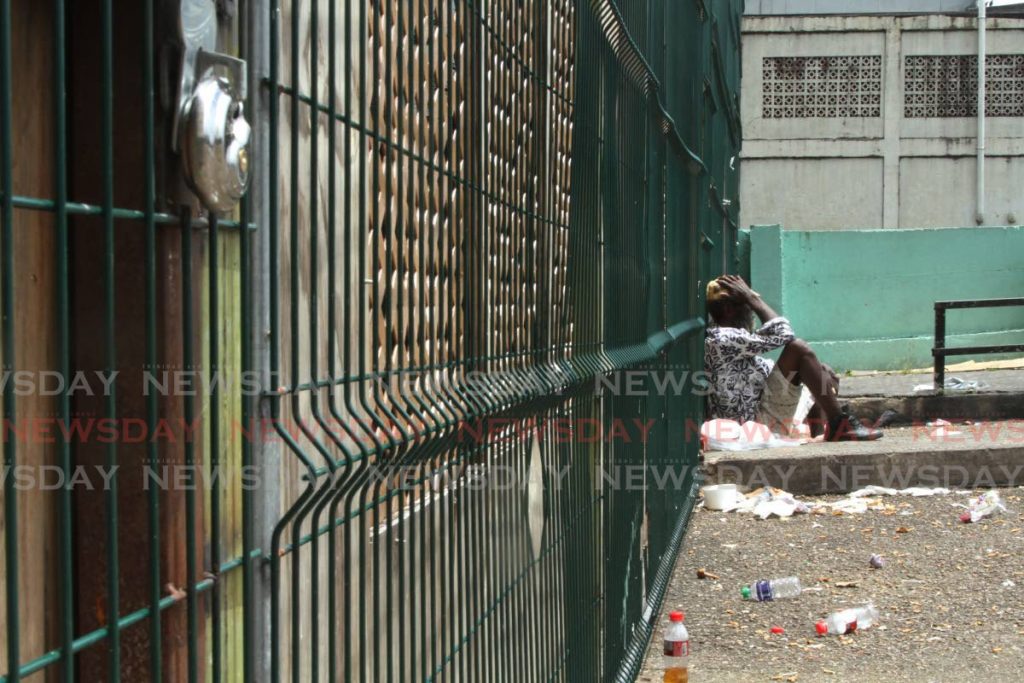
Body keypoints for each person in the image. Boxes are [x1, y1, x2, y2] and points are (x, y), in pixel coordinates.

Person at [704, 274, 882, 441]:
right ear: (728, 309)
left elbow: (764, 365)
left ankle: (826, 434)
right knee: (798, 348)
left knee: (822, 372)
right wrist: (753, 299)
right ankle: (840, 426)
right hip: (752, 425)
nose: (751, 311)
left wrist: (816, 372)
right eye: (746, 306)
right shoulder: (723, 338)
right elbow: (785, 334)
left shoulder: (731, 338)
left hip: (759, 412)